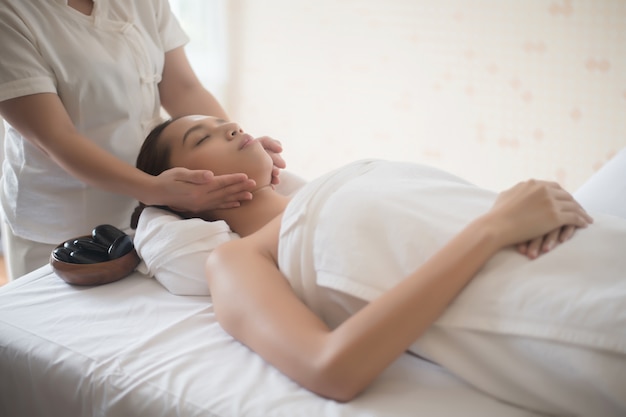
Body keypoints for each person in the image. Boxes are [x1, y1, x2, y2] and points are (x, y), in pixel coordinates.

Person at [134, 115, 626, 417]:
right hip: (564, 297)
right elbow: (331, 368)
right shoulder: (237, 258)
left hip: (590, 240)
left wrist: (520, 203)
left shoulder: (334, 182)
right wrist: (493, 227)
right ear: (183, 192)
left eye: (228, 122)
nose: (232, 127)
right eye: (203, 138)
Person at [0, 0, 285, 280]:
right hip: (65, 217)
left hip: (160, 202)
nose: (234, 130)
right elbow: (56, 137)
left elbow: (184, 89)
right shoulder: (11, 13)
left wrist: (241, 149)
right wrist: (154, 189)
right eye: (200, 140)